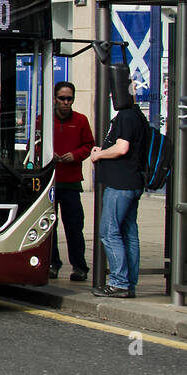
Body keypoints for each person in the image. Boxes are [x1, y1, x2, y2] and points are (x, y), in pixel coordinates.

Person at [89, 74, 149, 298]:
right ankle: (128, 283)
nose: (112, 96)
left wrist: (98, 154)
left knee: (109, 232)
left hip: (120, 184)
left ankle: (119, 282)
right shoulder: (138, 115)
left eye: (113, 92)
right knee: (129, 234)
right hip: (133, 183)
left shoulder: (125, 116)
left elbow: (122, 148)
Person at [50, 81, 94, 281]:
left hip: (71, 182)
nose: (66, 102)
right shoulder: (44, 119)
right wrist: (50, 155)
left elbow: (89, 145)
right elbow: (35, 144)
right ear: (55, 99)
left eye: (70, 99)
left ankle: (79, 267)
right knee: (49, 226)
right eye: (62, 98)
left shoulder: (81, 120)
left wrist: (74, 155)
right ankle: (52, 264)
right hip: (50, 182)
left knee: (74, 227)